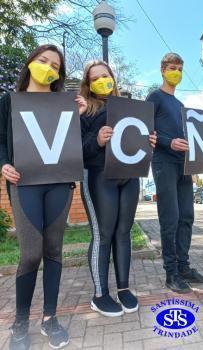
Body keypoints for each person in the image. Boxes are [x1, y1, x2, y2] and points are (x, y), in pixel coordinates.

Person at [0, 44, 86, 350]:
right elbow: (0, 140)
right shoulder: (9, 101)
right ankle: (19, 322)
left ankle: (50, 318)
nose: (48, 67)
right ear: (31, 62)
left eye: (55, 65)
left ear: (58, 74)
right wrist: (4, 164)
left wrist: (81, 115)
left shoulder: (65, 104)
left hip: (60, 184)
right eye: (43, 60)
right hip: (25, 184)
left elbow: (80, 145)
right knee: (30, 254)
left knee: (53, 250)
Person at [79, 60, 157, 316]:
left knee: (123, 232)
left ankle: (123, 288)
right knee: (103, 234)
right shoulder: (83, 109)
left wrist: (149, 141)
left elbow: (135, 141)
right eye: (95, 78)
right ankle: (99, 294)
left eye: (106, 75)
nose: (102, 80)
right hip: (99, 175)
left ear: (113, 77)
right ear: (88, 84)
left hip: (129, 175)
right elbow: (73, 148)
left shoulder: (127, 107)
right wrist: (97, 140)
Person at [146, 53, 203, 293]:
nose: (177, 73)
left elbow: (189, 137)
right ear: (163, 70)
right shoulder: (155, 97)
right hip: (164, 163)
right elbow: (146, 130)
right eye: (172, 68)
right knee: (170, 219)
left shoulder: (181, 106)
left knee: (187, 217)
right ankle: (171, 273)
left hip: (185, 166)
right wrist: (168, 142)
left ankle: (184, 268)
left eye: (180, 69)